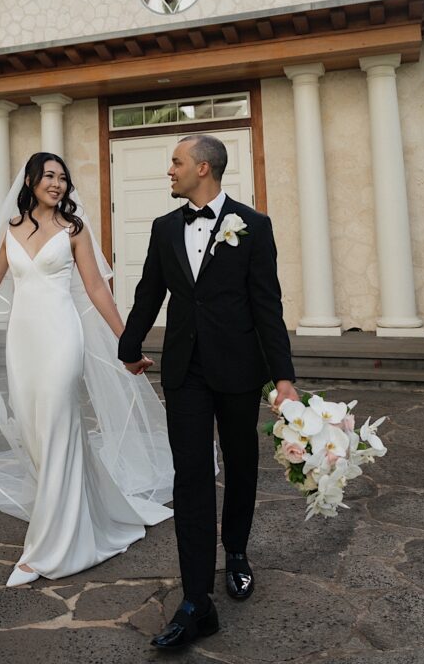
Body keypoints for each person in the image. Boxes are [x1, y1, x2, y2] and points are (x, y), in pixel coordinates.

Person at [0, 152, 173, 588]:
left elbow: (97, 287)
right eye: (49, 176)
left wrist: (126, 340)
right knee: (36, 433)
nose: (57, 184)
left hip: (63, 338)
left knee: (59, 424)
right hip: (22, 343)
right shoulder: (9, 230)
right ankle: (86, 515)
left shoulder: (74, 230)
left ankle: (46, 548)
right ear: (30, 180)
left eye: (62, 178)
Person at [119, 133, 299, 649]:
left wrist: (283, 378)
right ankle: (197, 600)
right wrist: (128, 346)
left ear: (202, 168)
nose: (168, 171)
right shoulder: (163, 227)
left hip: (241, 371)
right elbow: (149, 291)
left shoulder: (254, 226)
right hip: (185, 373)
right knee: (191, 478)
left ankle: (236, 552)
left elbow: (268, 305)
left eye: (175, 162)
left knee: (241, 465)